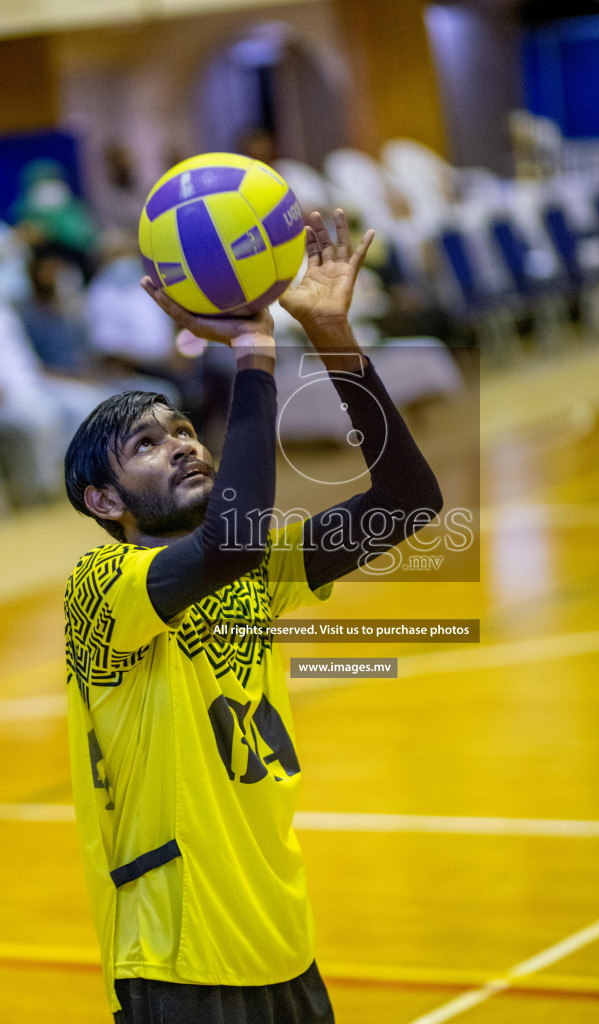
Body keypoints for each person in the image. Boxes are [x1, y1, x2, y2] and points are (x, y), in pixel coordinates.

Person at [63, 210, 443, 1023]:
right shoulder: (101, 586)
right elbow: (230, 541)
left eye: (182, 429)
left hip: (282, 937)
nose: (182, 444)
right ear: (103, 501)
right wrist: (253, 352)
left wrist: (333, 339)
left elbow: (409, 503)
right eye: (145, 445)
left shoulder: (251, 566)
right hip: (178, 956)